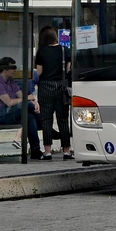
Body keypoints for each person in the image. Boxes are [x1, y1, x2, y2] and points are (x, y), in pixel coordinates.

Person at [0, 56, 43, 159]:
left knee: (29, 117)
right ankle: (44, 123)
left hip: (8, 112)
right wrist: (29, 101)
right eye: (13, 68)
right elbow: (9, 102)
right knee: (26, 106)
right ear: (5, 69)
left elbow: (21, 95)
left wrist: (32, 102)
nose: (15, 70)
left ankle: (35, 150)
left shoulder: (11, 81)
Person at [34, 26, 72, 160]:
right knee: (63, 120)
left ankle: (48, 151)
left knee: (46, 120)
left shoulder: (42, 52)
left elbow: (39, 72)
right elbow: (67, 70)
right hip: (61, 87)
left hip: (45, 87)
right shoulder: (64, 50)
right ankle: (66, 151)